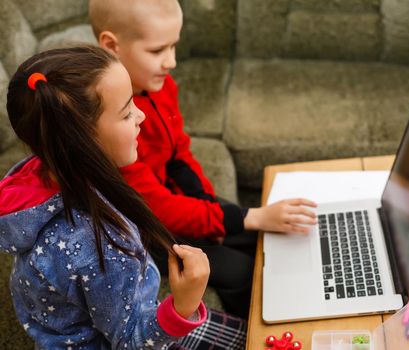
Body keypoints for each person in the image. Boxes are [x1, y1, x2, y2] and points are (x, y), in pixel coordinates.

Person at [0, 46, 246, 349]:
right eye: (127, 111)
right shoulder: (100, 247)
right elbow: (132, 342)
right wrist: (183, 304)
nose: (141, 115)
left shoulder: (43, 170)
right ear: (82, 142)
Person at [88, 0, 318, 318]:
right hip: (143, 228)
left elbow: (179, 152)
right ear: (112, 45)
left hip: (170, 201)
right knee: (241, 271)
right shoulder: (110, 125)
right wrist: (247, 217)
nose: (171, 62)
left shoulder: (161, 85)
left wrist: (211, 206)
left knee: (265, 236)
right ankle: (250, 333)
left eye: (174, 47)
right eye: (157, 51)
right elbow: (156, 208)